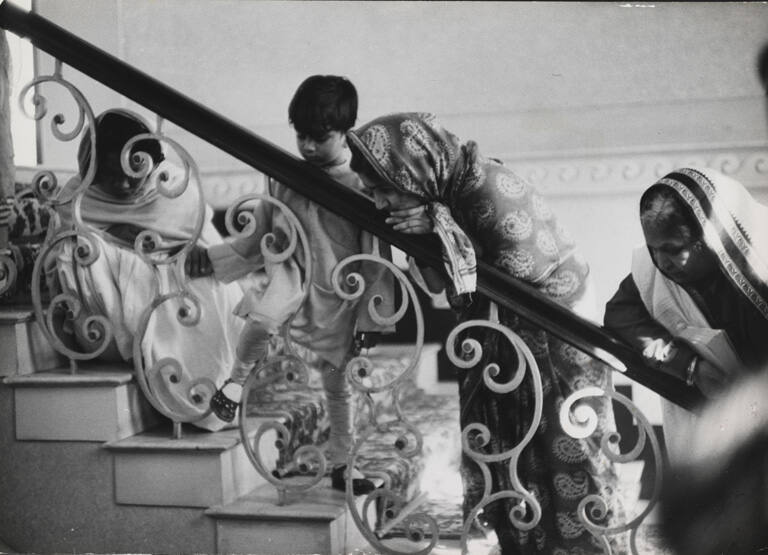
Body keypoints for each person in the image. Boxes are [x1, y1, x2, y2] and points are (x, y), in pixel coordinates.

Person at [346, 112, 621, 554]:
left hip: (557, 337)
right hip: (505, 340)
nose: (379, 204)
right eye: (371, 193)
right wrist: (439, 231)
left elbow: (522, 273)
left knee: (568, 454)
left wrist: (443, 229)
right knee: (515, 462)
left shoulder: (486, 184)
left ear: (413, 170)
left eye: (383, 190)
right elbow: (440, 286)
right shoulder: (443, 196)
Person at [185, 75, 392, 495]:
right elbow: (254, 238)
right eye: (301, 137)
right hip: (292, 273)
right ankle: (236, 382)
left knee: (338, 385)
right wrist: (211, 258)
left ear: (346, 132)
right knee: (261, 318)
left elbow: (376, 260)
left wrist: (372, 317)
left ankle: (343, 465)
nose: (309, 147)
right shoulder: (283, 177)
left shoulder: (362, 186)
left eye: (320, 138)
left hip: (340, 293)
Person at [47, 108, 244, 432]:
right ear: (91, 169)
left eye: (134, 172)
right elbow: (66, 232)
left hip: (177, 270)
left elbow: (203, 241)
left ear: (153, 162)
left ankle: (212, 397)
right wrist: (113, 235)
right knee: (78, 249)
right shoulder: (80, 196)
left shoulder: (174, 186)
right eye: (110, 176)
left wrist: (192, 248)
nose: (123, 184)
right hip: (119, 283)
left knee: (209, 286)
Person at [604, 167, 768, 464]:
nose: (661, 261)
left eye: (673, 249)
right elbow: (620, 315)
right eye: (654, 249)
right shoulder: (652, 271)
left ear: (712, 239)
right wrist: (689, 366)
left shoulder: (761, 267)